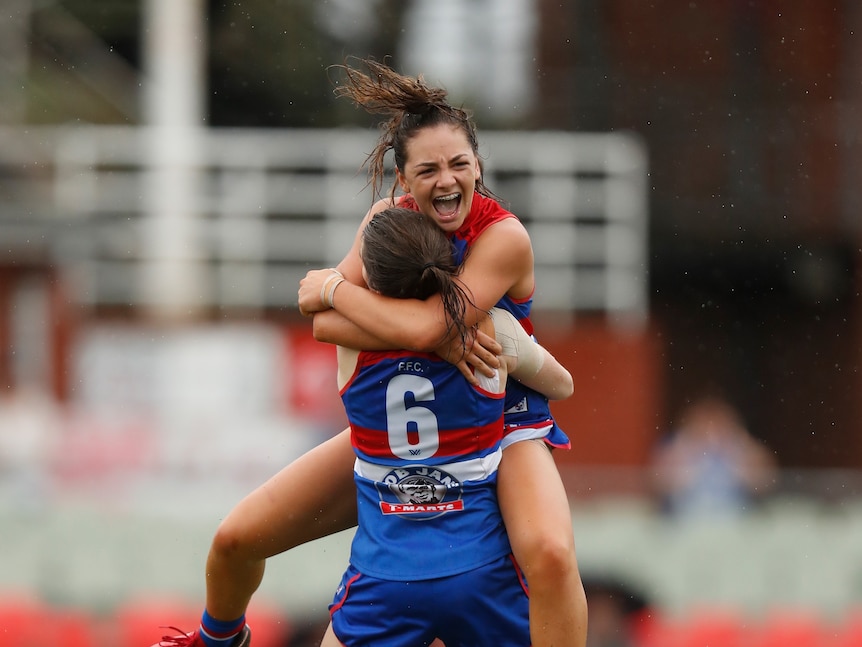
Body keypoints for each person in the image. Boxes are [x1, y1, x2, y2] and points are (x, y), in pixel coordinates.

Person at [152, 57, 586, 647]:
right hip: (398, 437)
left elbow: (428, 326)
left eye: (460, 163)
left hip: (500, 423)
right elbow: (327, 322)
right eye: (427, 169)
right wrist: (342, 300)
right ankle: (216, 640)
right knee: (235, 538)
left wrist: (341, 293)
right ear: (402, 181)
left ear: (479, 166)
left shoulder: (502, 236)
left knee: (553, 555)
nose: (447, 180)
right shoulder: (387, 222)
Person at [319, 206, 572, 646]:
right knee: (552, 559)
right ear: (450, 269)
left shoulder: (347, 339)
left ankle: (217, 632)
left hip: (386, 576)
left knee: (235, 538)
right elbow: (562, 385)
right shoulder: (494, 330)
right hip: (478, 573)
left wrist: (334, 288)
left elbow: (322, 316)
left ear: (372, 281)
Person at [651, 393, 777, 519]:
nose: (711, 430)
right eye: (705, 422)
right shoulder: (677, 445)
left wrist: (738, 449)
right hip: (689, 521)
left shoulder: (742, 445)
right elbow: (656, 484)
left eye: (718, 422)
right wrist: (688, 450)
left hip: (735, 521)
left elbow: (766, 482)